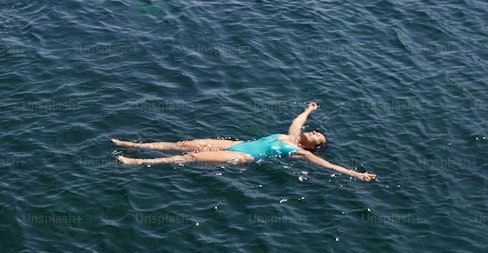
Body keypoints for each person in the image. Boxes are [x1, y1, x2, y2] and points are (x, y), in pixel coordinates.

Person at [112, 102, 376, 181]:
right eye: (316, 130)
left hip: (244, 157)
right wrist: (308, 111)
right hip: (237, 143)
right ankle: (134, 144)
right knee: (185, 144)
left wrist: (356, 174)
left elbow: (327, 166)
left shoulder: (301, 153)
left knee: (192, 157)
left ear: (314, 146)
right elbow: (297, 123)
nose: (314, 132)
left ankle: (137, 161)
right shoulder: (292, 137)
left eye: (318, 136)